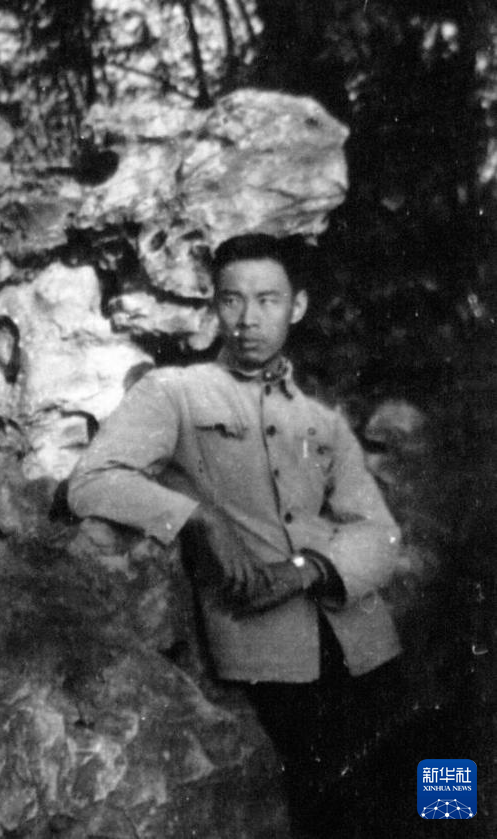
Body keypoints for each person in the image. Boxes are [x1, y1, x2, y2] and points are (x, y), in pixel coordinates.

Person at [68, 233, 402, 838]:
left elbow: (379, 532)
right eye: (231, 300)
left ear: (297, 307)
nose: (248, 319)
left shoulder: (321, 420)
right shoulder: (174, 393)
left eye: (268, 300)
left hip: (365, 640)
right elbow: (91, 481)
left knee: (437, 785)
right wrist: (196, 516)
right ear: (214, 306)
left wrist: (309, 568)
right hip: (271, 654)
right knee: (330, 811)